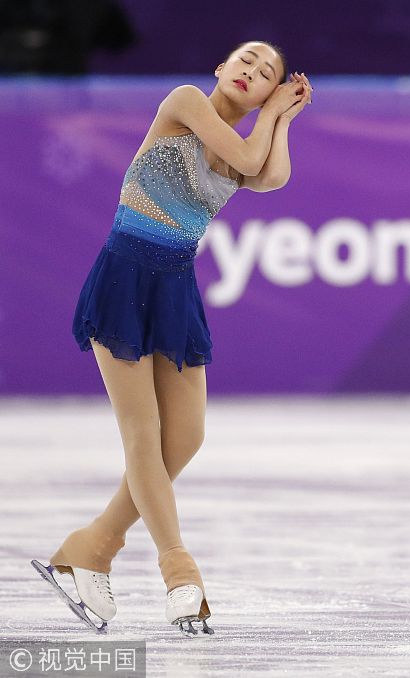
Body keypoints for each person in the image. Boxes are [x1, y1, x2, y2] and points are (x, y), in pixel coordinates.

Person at [31, 40, 312, 636]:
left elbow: (273, 176)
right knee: (143, 432)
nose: (251, 73)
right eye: (245, 61)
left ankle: (91, 548)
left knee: (186, 434)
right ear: (220, 67)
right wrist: (269, 114)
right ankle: (178, 571)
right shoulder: (186, 101)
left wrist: (282, 118)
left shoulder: (249, 146)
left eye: (266, 75)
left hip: (174, 287)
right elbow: (243, 152)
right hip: (125, 273)